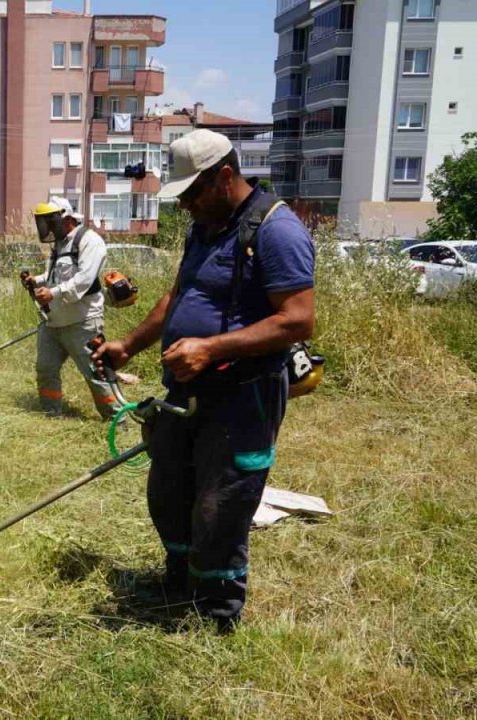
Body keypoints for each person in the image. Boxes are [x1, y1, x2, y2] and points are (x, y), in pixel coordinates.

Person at [90, 130, 316, 632]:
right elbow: (177, 296)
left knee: (221, 503)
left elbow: (298, 320)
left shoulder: (277, 231)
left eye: (192, 193)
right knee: (169, 492)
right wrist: (129, 346)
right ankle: (179, 584)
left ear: (226, 177)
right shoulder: (204, 227)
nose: (186, 205)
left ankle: (214, 614)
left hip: (243, 396)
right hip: (185, 392)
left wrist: (211, 348)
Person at [26, 197, 120, 420]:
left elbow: (84, 280)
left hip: (83, 322)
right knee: (45, 368)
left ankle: (117, 419)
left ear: (65, 218)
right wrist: (37, 281)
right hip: (53, 322)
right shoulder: (58, 245)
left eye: (50, 221)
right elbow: (54, 276)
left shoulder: (90, 241)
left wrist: (53, 293)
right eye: (43, 222)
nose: (46, 227)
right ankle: (51, 413)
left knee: (95, 374)